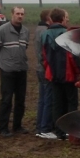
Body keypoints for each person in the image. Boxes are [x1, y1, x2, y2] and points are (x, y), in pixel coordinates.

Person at [41, 8, 80, 140]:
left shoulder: (45, 35)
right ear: (63, 19)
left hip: (53, 74)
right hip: (68, 74)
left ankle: (59, 132)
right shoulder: (68, 34)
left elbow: (44, 56)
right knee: (71, 103)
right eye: (66, 17)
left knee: (57, 103)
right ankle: (71, 131)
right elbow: (72, 56)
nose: (68, 20)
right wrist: (78, 71)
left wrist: (48, 70)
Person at [0, 6, 29, 137]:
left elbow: (24, 48)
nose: (20, 16)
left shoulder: (25, 31)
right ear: (12, 14)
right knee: (6, 99)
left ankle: (17, 126)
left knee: (20, 99)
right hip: (7, 70)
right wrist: (4, 61)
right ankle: (3, 128)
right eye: (17, 13)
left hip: (21, 69)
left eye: (22, 14)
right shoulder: (2, 30)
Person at [34, 9, 57, 139]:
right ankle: (45, 128)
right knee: (48, 99)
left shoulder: (37, 29)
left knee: (42, 99)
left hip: (39, 68)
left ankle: (40, 126)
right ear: (49, 18)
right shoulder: (45, 32)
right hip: (45, 69)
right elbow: (45, 53)